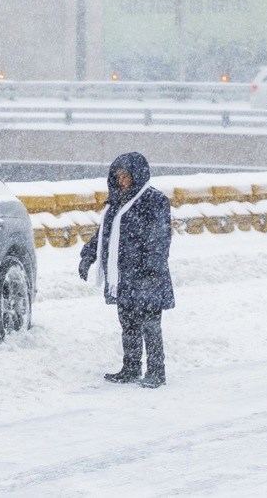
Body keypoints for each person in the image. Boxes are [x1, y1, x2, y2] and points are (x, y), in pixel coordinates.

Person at [79, 152, 174, 388]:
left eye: (126, 175)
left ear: (137, 175)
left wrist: (151, 269)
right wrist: (88, 256)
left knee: (150, 325)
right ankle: (131, 368)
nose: (121, 180)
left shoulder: (154, 200)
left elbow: (160, 239)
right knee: (129, 323)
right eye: (118, 176)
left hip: (146, 275)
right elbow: (104, 234)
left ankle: (156, 371)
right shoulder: (117, 202)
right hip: (123, 276)